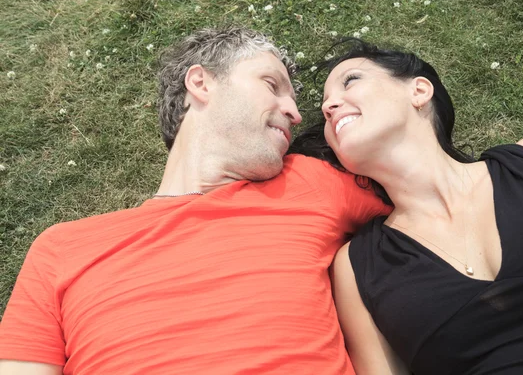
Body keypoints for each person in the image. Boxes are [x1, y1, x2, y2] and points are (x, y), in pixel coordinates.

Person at [0, 27, 390, 375]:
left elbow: (440, 204)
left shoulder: (311, 183)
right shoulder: (60, 249)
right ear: (201, 83)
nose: (295, 113)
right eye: (273, 85)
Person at [294, 39, 523, 374]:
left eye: (350, 81)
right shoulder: (357, 267)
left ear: (419, 91)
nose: (329, 106)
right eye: (325, 106)